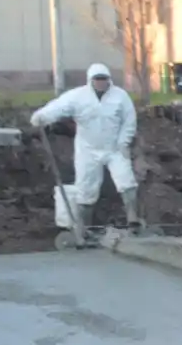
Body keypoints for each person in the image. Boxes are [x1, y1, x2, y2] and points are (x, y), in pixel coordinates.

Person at [29, 63, 140, 231]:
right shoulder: (78, 96)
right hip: (88, 150)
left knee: (126, 181)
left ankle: (133, 220)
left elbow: (129, 121)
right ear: (90, 80)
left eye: (103, 79)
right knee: (86, 189)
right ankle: (84, 227)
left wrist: (124, 142)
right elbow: (59, 106)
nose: (101, 82)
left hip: (115, 149)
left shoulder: (120, 96)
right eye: (97, 79)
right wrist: (42, 116)